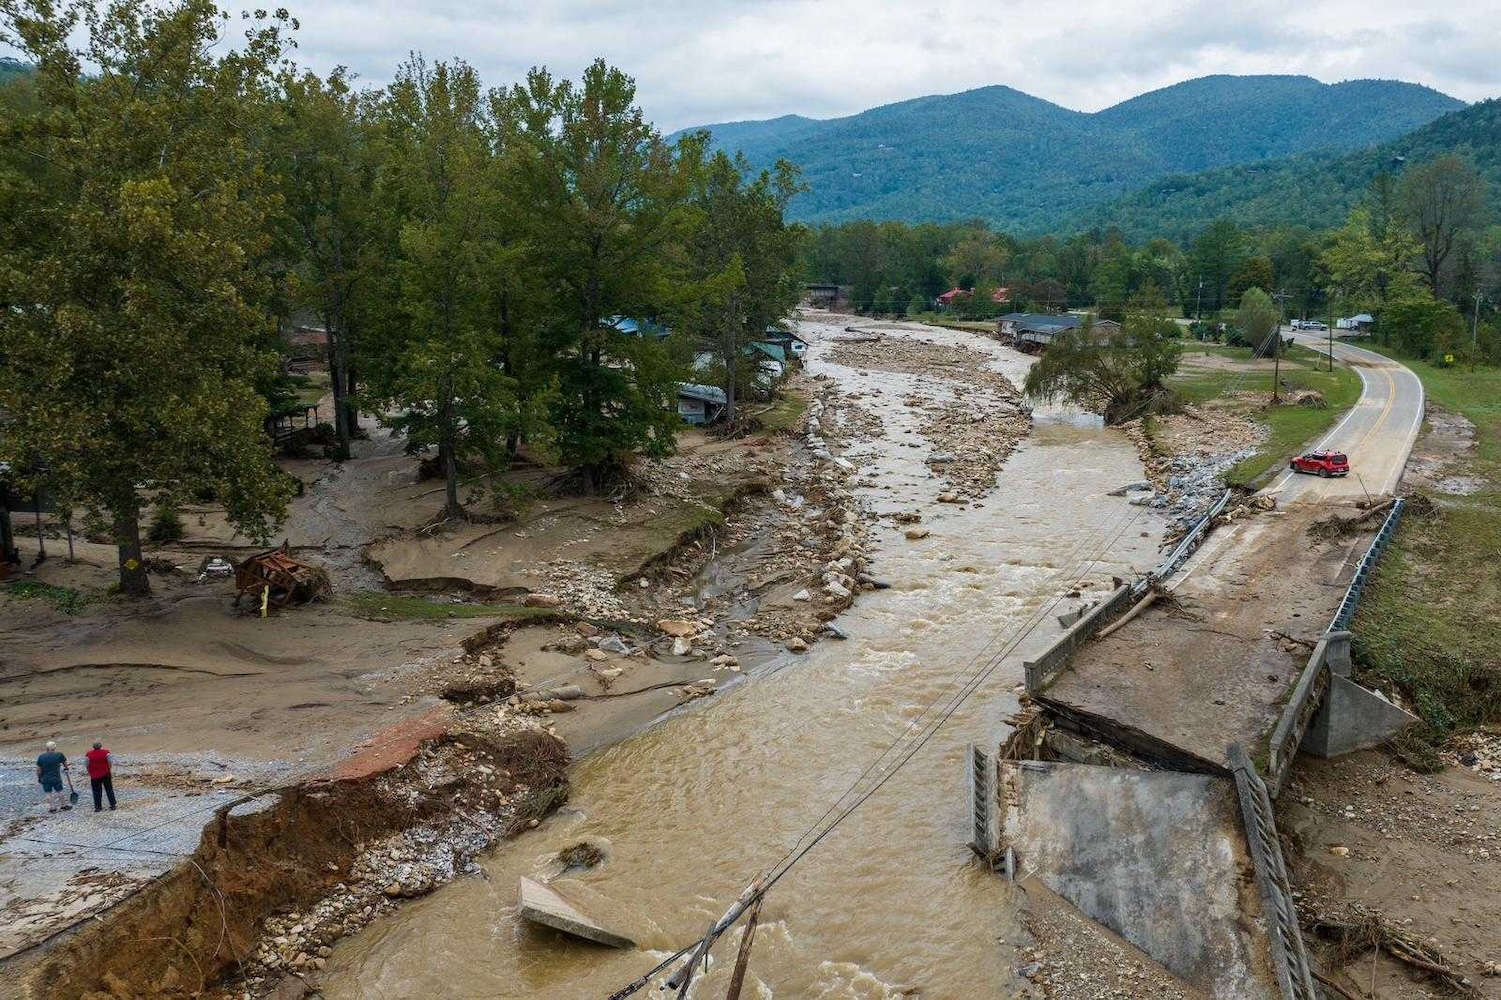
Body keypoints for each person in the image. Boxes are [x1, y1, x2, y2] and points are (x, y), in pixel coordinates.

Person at [36, 740, 70, 812]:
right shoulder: (59, 755)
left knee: (48, 793)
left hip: (45, 778)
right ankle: (63, 805)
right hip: (56, 777)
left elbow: (39, 769)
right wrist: (66, 768)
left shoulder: (41, 757)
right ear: (54, 748)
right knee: (59, 791)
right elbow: (64, 762)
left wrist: (39, 778)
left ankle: (52, 807)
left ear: (47, 748)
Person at [84, 741, 117, 812]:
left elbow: (87, 765)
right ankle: (113, 805)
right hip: (106, 773)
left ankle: (98, 807)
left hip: (94, 775)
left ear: (93, 747)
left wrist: (90, 772)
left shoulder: (88, 755)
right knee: (109, 789)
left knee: (96, 791)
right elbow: (110, 762)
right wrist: (109, 769)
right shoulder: (106, 752)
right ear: (101, 746)